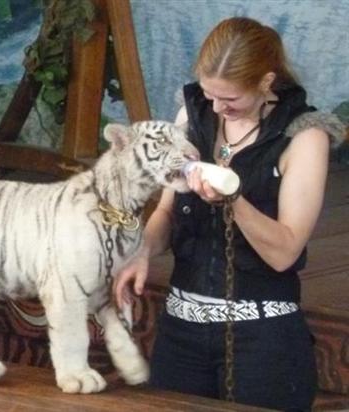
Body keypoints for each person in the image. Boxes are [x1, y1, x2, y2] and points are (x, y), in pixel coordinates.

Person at [114, 17, 345, 411]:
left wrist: (233, 200)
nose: (218, 108)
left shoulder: (305, 136)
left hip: (262, 334)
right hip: (180, 327)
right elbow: (169, 212)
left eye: (231, 101)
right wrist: (140, 250)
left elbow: (285, 251)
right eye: (209, 95)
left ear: (266, 82)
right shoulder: (194, 115)